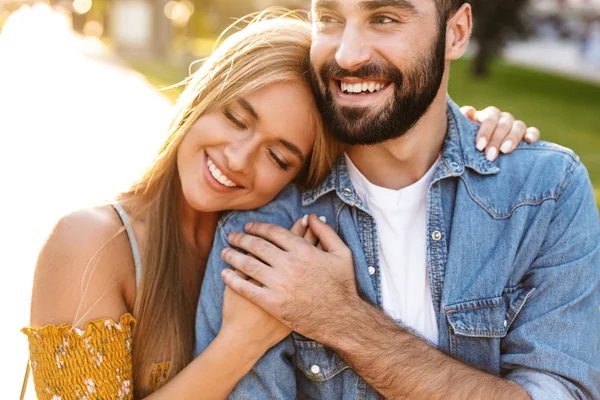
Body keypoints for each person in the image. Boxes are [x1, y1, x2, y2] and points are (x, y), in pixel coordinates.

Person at [23, 12, 538, 400]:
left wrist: (469, 133)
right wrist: (240, 344)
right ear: (203, 96)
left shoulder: (285, 240)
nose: (239, 159)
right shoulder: (89, 244)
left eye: (278, 155)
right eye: (235, 118)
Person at [196, 2, 600, 400]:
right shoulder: (261, 230)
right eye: (330, 19)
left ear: (455, 33)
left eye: (384, 18)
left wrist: (344, 319)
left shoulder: (544, 193)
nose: (347, 55)